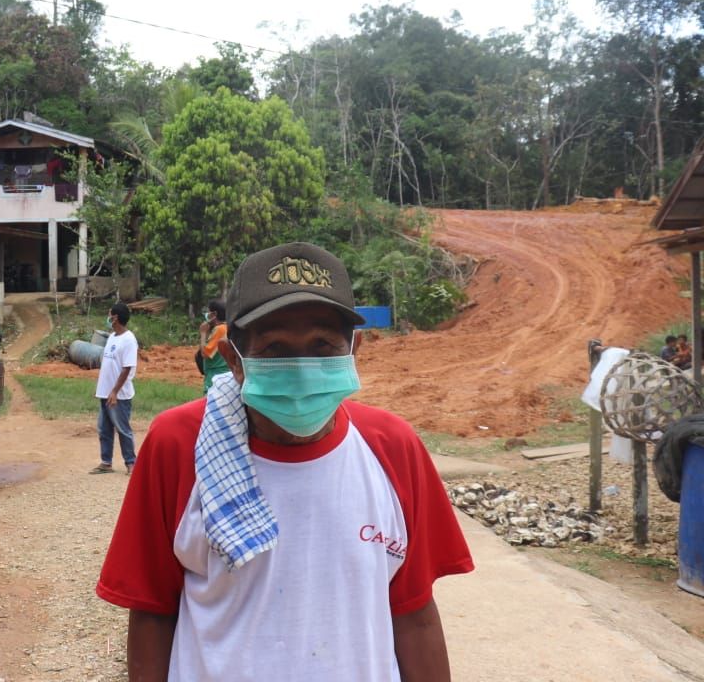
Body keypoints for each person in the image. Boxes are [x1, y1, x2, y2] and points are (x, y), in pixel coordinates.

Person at [96, 242, 474, 681]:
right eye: (275, 349)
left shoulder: (392, 447)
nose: (303, 367)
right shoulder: (180, 445)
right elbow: (152, 612)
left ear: (356, 350)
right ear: (235, 361)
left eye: (323, 346)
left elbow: (414, 614)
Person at [90, 302, 138, 475]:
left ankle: (131, 463)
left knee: (123, 428)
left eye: (110, 314)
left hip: (119, 395)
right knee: (104, 428)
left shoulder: (129, 340)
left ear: (115, 317)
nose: (108, 317)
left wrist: (115, 391)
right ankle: (106, 462)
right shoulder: (112, 337)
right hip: (105, 392)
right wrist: (102, 389)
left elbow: (127, 368)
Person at [197, 298, 228, 393]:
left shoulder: (219, 330)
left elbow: (205, 354)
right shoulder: (226, 327)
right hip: (223, 375)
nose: (207, 314)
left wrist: (203, 333)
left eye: (208, 312)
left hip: (216, 376)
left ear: (214, 314)